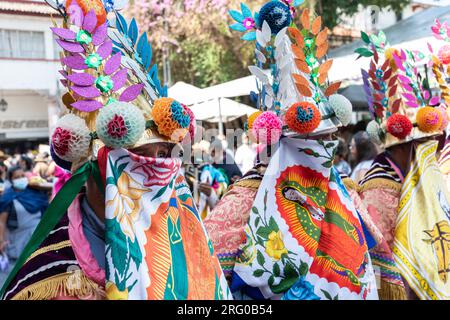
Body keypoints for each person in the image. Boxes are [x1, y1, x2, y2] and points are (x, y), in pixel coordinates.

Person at [0, 1, 230, 300]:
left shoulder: (184, 231)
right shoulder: (46, 278)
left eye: (165, 155)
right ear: (93, 169)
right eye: (141, 158)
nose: (159, 169)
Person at [212, 1, 378, 300]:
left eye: (328, 138)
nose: (323, 149)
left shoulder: (343, 190)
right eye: (314, 139)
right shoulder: (246, 197)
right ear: (285, 141)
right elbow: (207, 270)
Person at [357, 32, 450, 300]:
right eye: (427, 142)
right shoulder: (377, 190)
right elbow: (381, 269)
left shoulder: (423, 178)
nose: (434, 148)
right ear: (408, 145)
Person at [0, 167, 48, 287]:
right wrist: (1, 241)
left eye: (22, 176)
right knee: (16, 279)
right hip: (16, 242)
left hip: (36, 241)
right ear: (11, 180)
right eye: (17, 177)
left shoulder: (36, 193)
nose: (21, 179)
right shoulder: (7, 198)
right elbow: (1, 222)